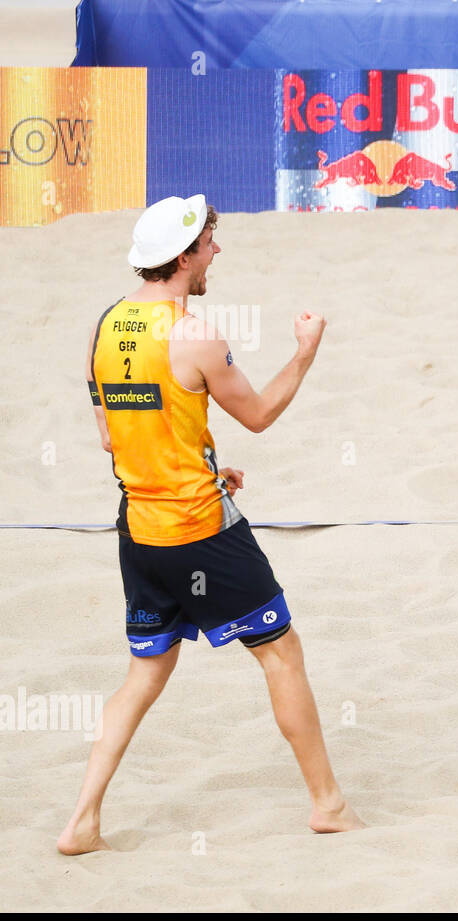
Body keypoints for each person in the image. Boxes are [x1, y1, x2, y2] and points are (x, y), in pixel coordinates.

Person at [58, 194, 363, 854]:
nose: (214, 253)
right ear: (183, 258)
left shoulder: (103, 326)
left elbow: (113, 440)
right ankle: (329, 805)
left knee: (142, 676)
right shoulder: (195, 336)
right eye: (207, 246)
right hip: (199, 532)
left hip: (137, 530)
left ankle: (81, 818)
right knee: (281, 652)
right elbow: (257, 414)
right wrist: (305, 352)